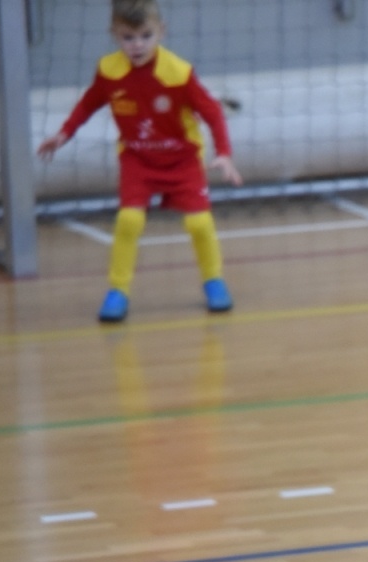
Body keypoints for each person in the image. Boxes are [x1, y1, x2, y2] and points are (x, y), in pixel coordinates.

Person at [38, 0, 241, 323]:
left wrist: (224, 153)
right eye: (128, 37)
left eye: (145, 36)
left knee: (198, 223)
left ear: (161, 32)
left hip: (182, 159)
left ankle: (214, 281)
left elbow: (213, 112)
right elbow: (88, 104)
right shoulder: (109, 71)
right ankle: (117, 291)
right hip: (138, 159)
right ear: (115, 35)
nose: (137, 45)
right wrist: (63, 135)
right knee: (128, 221)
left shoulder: (178, 73)